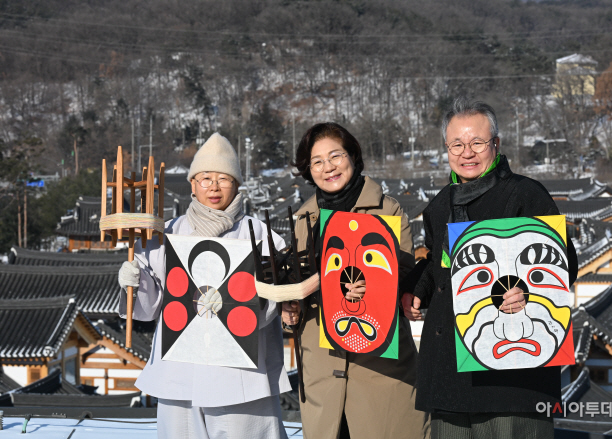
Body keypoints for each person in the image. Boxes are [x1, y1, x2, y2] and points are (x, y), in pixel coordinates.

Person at [401, 97, 579, 439]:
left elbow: (564, 263)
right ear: (446, 149)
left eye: (477, 143)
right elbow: (439, 264)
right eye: (457, 144)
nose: (467, 152)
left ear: (495, 144)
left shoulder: (526, 194)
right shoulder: (439, 205)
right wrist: (417, 289)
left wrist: (527, 292)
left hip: (512, 370)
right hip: (450, 370)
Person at [117, 133, 291, 439]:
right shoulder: (166, 232)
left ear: (237, 184)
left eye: (223, 178)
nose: (213, 186)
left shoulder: (261, 234)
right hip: (180, 371)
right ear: (193, 184)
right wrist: (135, 282)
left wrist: (247, 301)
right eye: (205, 178)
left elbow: (272, 303)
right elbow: (149, 306)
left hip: (241, 375)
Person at [282, 122, 429, 439]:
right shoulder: (304, 220)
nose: (328, 167)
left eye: (335, 156)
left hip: (379, 370)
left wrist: (374, 289)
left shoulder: (387, 210)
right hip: (322, 371)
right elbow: (298, 283)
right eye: (317, 161)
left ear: (352, 155)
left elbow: (403, 279)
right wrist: (290, 307)